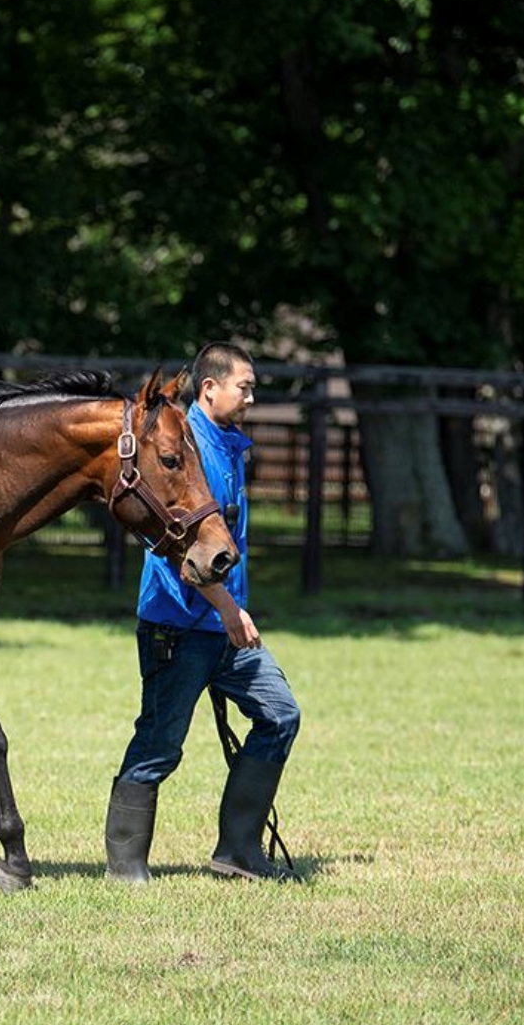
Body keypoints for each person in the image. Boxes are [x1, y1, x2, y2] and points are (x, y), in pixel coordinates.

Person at [104, 341, 301, 882]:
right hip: (180, 626)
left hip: (224, 626)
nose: (252, 398)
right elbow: (173, 549)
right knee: (160, 745)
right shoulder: (186, 447)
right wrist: (230, 611)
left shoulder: (226, 446)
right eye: (246, 386)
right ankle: (125, 866)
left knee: (279, 713)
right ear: (210, 388)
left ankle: (237, 852)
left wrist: (231, 615)